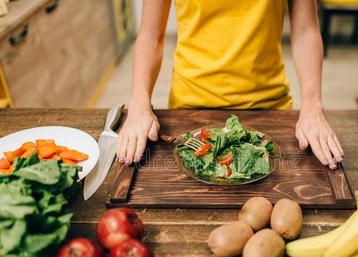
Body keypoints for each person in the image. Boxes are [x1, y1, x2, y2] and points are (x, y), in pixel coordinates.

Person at [116, 0, 344, 169]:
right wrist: (139, 104)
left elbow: (306, 31)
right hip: (190, 108)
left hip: (269, 107)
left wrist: (313, 107)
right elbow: (150, 35)